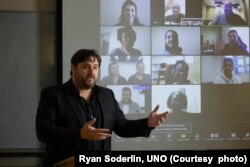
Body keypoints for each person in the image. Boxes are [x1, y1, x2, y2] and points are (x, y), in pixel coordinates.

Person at [36, 49, 168, 166]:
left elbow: (122, 127)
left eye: (95, 67)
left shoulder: (107, 95)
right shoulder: (53, 94)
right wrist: (80, 134)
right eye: (86, 67)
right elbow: (44, 132)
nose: (91, 72)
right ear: (73, 68)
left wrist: (147, 123)